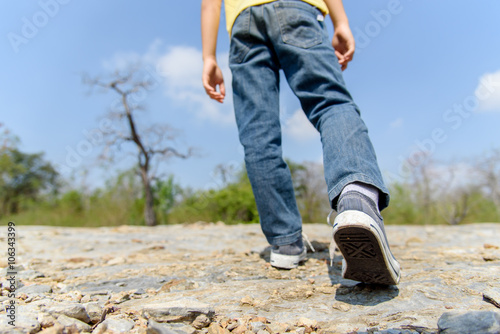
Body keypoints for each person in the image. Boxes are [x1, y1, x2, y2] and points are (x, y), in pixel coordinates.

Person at [201, 0, 401, 285]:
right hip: (296, 10)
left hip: (244, 25)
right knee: (330, 103)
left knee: (258, 133)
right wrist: (340, 20)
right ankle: (357, 200)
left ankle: (285, 242)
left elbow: (210, 4)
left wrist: (208, 57)